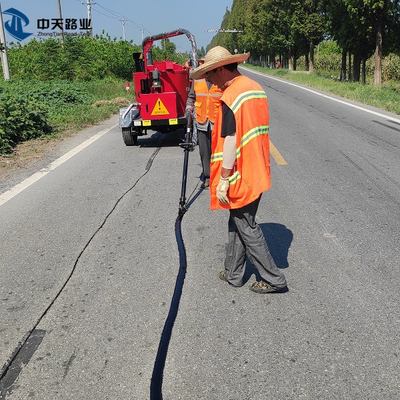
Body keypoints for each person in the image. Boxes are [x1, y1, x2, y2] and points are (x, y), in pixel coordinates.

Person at [190, 46, 287, 294]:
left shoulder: (231, 96)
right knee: (237, 220)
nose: (209, 82)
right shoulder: (254, 88)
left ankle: (274, 278)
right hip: (256, 165)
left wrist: (223, 179)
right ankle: (233, 272)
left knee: (245, 224)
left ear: (222, 69)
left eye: (210, 75)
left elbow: (231, 139)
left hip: (240, 171)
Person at [186, 60, 223, 188]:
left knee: (218, 151)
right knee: (204, 151)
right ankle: (207, 176)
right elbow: (191, 97)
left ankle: (219, 176)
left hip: (217, 122)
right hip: (202, 121)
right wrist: (189, 108)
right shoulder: (197, 80)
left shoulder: (220, 80)